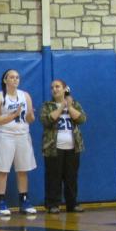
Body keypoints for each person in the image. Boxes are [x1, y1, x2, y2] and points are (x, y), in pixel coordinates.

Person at [0, 69, 37, 216]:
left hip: (23, 135)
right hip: (5, 135)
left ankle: (24, 201)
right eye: (12, 77)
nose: (15, 79)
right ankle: (1, 202)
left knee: (23, 170)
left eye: (17, 77)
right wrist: (13, 115)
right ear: (5, 80)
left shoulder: (25, 95)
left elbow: (30, 119)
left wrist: (30, 115)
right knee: (3, 170)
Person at [40, 79, 86, 214]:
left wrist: (69, 107)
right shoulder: (47, 105)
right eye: (52, 87)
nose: (54, 89)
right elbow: (46, 120)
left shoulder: (74, 104)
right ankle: (53, 204)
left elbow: (82, 119)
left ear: (65, 89)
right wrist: (61, 107)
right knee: (53, 177)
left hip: (73, 147)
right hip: (53, 148)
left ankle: (72, 204)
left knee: (71, 177)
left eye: (57, 86)